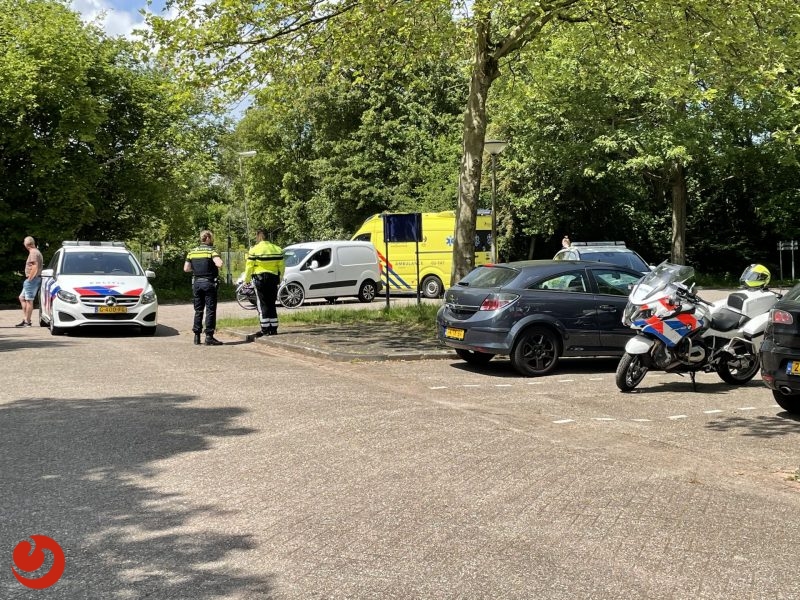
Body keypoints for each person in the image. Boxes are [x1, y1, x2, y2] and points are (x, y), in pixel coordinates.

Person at [184, 230, 224, 346]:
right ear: (208, 238)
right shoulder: (211, 251)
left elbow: (186, 268)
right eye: (212, 238)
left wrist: (196, 270)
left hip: (196, 283)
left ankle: (196, 336)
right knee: (210, 309)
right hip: (209, 283)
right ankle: (209, 336)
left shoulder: (192, 252)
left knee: (198, 309)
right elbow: (219, 264)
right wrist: (217, 261)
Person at [245, 228, 285, 337]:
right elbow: (282, 266)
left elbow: (249, 266)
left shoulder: (254, 250)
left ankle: (265, 329)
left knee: (262, 303)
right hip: (273, 279)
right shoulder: (277, 249)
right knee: (272, 302)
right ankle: (274, 328)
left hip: (260, 279)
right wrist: (280, 278)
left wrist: (246, 280)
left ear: (259, 236)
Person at [17, 236, 43, 327]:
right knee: (22, 298)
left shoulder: (33, 252)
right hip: (33, 279)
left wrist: (29, 279)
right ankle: (26, 319)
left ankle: (27, 322)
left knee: (29, 300)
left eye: (24, 242)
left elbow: (35, 266)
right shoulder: (35, 252)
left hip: (32, 279)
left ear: (27, 244)